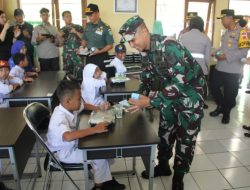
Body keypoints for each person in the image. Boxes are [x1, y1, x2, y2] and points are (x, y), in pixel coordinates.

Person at [119, 16, 205, 190]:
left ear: (144, 31)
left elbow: (181, 84)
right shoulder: (146, 52)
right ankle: (163, 165)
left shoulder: (170, 48)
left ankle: (178, 177)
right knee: (165, 131)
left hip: (190, 97)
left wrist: (150, 100)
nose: (132, 45)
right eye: (129, 42)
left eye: (132, 40)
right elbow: (147, 79)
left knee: (185, 138)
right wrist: (137, 98)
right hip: (169, 96)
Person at [46, 80, 125, 190]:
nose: (80, 101)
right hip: (64, 153)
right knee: (99, 153)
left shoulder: (68, 107)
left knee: (104, 147)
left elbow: (85, 105)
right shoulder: (59, 117)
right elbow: (67, 136)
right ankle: (99, 186)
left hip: (72, 144)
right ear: (68, 100)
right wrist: (95, 129)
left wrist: (99, 108)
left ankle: (106, 179)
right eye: (78, 99)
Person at [209, 9, 249, 124]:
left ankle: (226, 113)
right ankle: (221, 106)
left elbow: (244, 51)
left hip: (233, 69)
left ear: (230, 18)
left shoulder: (243, 32)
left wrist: (226, 56)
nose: (221, 21)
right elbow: (223, 49)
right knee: (214, 86)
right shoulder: (225, 32)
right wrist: (215, 52)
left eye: (222, 18)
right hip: (220, 67)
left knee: (229, 93)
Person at [180, 16, 211, 109]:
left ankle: (186, 107)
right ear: (202, 25)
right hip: (201, 70)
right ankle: (199, 106)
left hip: (186, 70)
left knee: (186, 90)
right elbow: (207, 59)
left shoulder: (183, 37)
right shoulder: (206, 38)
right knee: (199, 91)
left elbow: (180, 55)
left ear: (190, 25)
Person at [82, 3, 114, 71]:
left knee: (101, 78)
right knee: (90, 77)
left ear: (97, 13)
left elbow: (110, 45)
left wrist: (99, 51)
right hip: (89, 56)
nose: (89, 17)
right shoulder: (87, 26)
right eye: (88, 15)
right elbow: (84, 39)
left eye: (91, 15)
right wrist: (81, 48)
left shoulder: (106, 27)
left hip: (101, 57)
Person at [58, 11, 84, 79]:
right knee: (67, 75)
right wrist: (59, 37)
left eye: (70, 16)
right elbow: (60, 44)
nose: (69, 18)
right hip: (67, 56)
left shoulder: (78, 27)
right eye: (67, 16)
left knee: (79, 74)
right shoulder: (62, 29)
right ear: (63, 18)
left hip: (77, 55)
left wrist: (75, 32)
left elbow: (84, 39)